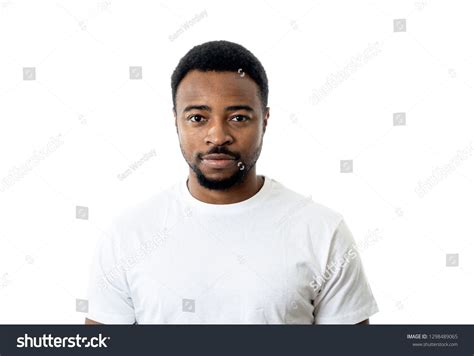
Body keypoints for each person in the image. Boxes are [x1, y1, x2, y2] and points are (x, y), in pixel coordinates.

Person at [85, 40, 378, 324]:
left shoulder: (323, 232)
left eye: (238, 117)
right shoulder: (128, 236)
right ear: (176, 121)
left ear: (265, 120)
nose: (218, 135)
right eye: (198, 118)